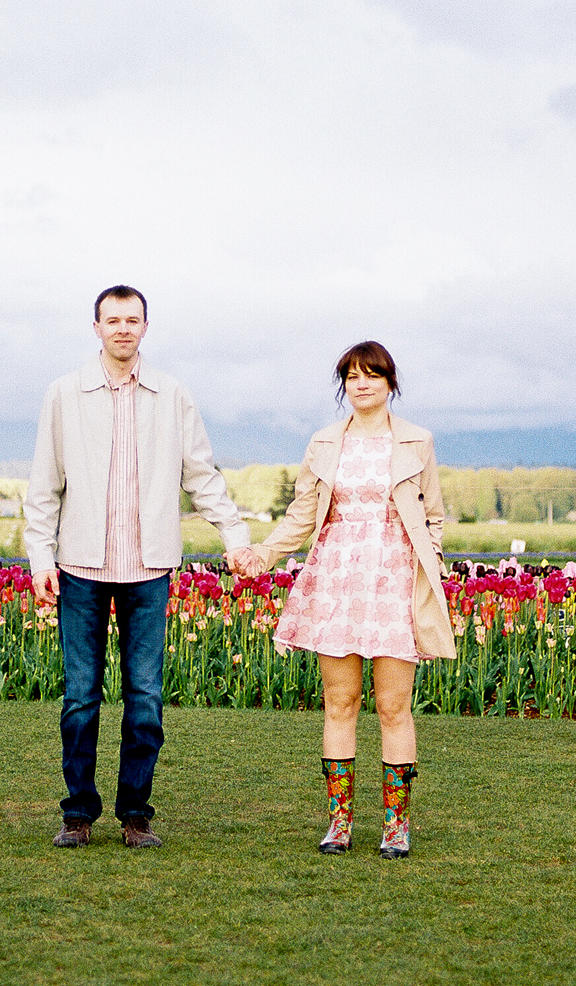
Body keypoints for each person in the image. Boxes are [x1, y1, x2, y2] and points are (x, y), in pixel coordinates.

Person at [26, 284, 254, 849]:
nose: (123, 328)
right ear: (96, 327)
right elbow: (43, 487)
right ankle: (77, 813)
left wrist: (235, 535)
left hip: (149, 569)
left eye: (133, 320)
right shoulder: (64, 394)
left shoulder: (171, 394)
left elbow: (201, 475)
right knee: (80, 695)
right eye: (113, 320)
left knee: (145, 697)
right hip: (81, 566)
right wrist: (40, 557)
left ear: (145, 328)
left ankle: (135, 815)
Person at [228, 341, 455, 858]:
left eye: (372, 375)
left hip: (395, 579)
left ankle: (395, 826)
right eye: (352, 376)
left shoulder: (418, 441)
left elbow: (434, 515)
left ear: (390, 383)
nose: (362, 384)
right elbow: (303, 515)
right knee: (340, 702)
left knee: (394, 706)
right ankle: (340, 823)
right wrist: (264, 554)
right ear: (343, 386)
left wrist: (429, 564)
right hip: (336, 579)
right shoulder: (325, 443)